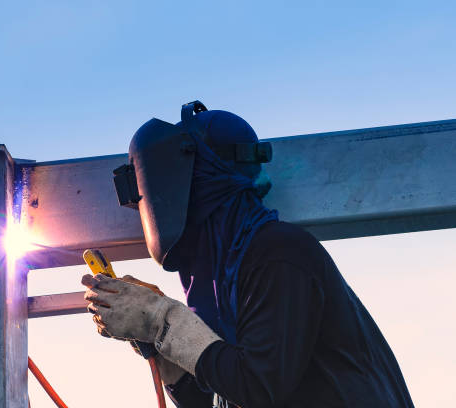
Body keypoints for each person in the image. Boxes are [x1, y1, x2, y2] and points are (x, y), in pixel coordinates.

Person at [81, 101, 414, 407]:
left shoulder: (278, 253)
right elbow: (221, 396)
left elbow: (258, 387)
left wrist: (160, 320)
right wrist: (156, 342)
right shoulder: (222, 285)